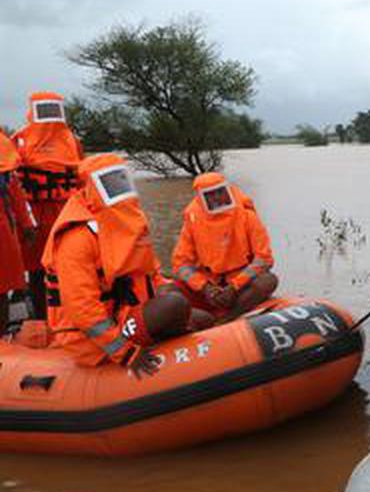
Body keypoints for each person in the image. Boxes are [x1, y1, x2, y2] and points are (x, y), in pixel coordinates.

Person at [44, 154, 207, 376]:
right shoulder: (77, 238)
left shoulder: (124, 222)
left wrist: (164, 287)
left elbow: (150, 272)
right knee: (175, 305)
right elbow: (82, 310)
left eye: (122, 180)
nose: (119, 187)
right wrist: (125, 352)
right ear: (91, 188)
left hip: (124, 311)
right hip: (87, 337)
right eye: (110, 183)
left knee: (200, 316)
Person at [14, 91, 84, 320]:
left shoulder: (71, 140)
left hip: (64, 209)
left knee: (66, 262)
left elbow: (82, 175)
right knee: (37, 267)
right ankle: (43, 317)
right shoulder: (20, 140)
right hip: (38, 212)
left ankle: (65, 315)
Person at [172, 173, 278, 320]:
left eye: (220, 191)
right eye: (210, 194)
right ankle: (200, 320)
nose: (217, 197)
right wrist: (204, 287)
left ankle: (227, 319)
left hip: (241, 285)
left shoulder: (247, 216)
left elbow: (264, 259)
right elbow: (181, 263)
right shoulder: (193, 220)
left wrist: (234, 287)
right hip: (208, 286)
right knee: (168, 292)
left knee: (268, 281)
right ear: (200, 198)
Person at [0, 129, 36, 332]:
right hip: (4, 230)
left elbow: (17, 196)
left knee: (2, 291)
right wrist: (27, 225)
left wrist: (27, 225)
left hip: (4, 230)